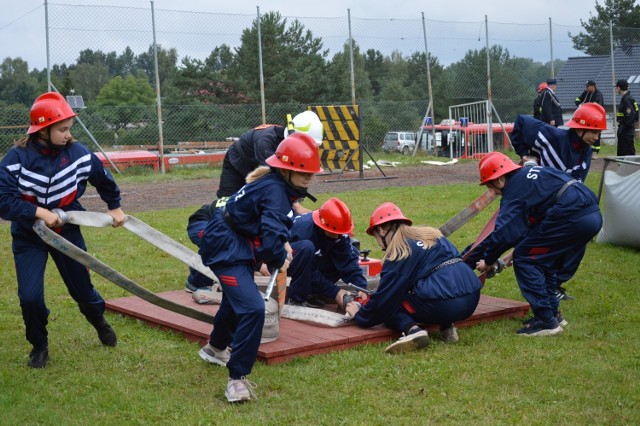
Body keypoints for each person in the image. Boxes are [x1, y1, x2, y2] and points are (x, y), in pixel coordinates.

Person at [0, 92, 127, 369]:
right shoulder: (16, 158)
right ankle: (39, 345)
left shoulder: (79, 154)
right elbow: (3, 200)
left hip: (67, 231)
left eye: (70, 129)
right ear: (42, 130)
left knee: (83, 290)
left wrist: (114, 206)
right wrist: (38, 212)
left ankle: (98, 320)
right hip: (29, 236)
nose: (68, 135)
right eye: (62, 129)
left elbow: (103, 179)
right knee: (30, 297)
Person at [197, 132, 323, 403]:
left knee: (235, 301)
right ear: (286, 169)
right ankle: (236, 380)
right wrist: (278, 256)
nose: (309, 178)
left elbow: (272, 227)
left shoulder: (277, 186)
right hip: (226, 247)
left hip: (236, 241)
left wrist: (281, 245)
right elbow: (269, 242)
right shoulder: (276, 191)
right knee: (253, 308)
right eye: (304, 173)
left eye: (312, 173)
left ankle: (215, 348)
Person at [184, 110, 324, 295]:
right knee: (229, 223)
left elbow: (286, 189)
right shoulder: (266, 144)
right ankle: (202, 276)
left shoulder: (288, 158)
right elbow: (273, 187)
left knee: (250, 227)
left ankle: (243, 267)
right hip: (237, 165)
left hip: (262, 178)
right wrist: (268, 256)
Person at [464, 153, 602, 336]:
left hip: (571, 217)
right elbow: (529, 228)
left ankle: (545, 321)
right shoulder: (530, 176)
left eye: (491, 186)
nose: (494, 192)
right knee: (544, 260)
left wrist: (488, 260)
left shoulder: (514, 191)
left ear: (499, 180)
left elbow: (504, 233)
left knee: (526, 259)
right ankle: (553, 314)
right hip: (591, 214)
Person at [345, 202, 482, 353]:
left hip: (444, 304)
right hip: (472, 297)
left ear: (381, 230)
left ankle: (413, 331)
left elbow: (384, 301)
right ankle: (447, 326)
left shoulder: (399, 252)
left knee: (391, 306)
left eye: (376, 236)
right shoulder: (433, 235)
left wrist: (360, 314)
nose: (379, 245)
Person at [287, 197, 367, 308]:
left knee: (350, 251)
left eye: (340, 233)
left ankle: (317, 293)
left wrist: (361, 287)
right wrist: (334, 292)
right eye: (333, 233)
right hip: (287, 261)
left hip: (311, 260)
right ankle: (297, 299)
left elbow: (348, 262)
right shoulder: (303, 230)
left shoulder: (339, 232)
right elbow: (309, 270)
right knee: (307, 249)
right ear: (322, 225)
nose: (337, 236)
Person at [512, 102, 607, 183]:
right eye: (594, 132)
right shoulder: (552, 136)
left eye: (599, 133)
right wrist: (523, 153)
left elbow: (578, 184)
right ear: (580, 128)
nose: (596, 138)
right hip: (536, 191)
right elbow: (521, 121)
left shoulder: (586, 153)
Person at [575, 80, 605, 158]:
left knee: (595, 134)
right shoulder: (586, 93)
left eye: (587, 86)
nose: (586, 88)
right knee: (586, 133)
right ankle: (586, 150)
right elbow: (577, 99)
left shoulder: (598, 94)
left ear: (593, 86)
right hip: (587, 118)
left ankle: (595, 152)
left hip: (596, 118)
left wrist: (585, 106)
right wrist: (579, 105)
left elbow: (595, 106)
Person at [615, 79, 638, 156]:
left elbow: (630, 116)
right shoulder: (626, 98)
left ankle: (632, 167)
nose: (616, 90)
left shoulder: (627, 99)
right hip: (625, 129)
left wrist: (623, 126)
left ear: (619, 88)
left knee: (628, 151)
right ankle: (622, 166)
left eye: (616, 88)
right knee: (623, 150)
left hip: (626, 130)